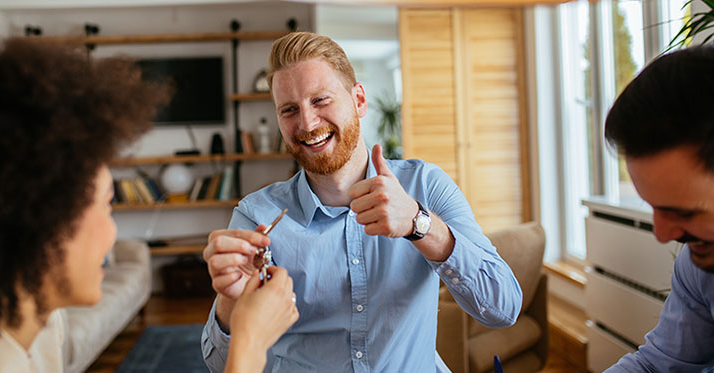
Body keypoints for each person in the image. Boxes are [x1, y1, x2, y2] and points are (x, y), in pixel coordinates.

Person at [0, 38, 297, 373]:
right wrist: (248, 343)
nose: (113, 232)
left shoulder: (39, 323)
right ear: (35, 220)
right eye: (106, 205)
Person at [201, 31, 522, 372]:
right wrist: (229, 301)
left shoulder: (425, 185)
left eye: (321, 100)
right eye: (289, 110)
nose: (307, 123)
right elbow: (221, 364)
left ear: (359, 100)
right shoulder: (257, 217)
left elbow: (502, 309)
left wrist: (419, 223)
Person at [603, 45, 714, 371]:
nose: (664, 234)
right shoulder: (704, 266)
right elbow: (660, 366)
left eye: (685, 212)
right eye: (653, 206)